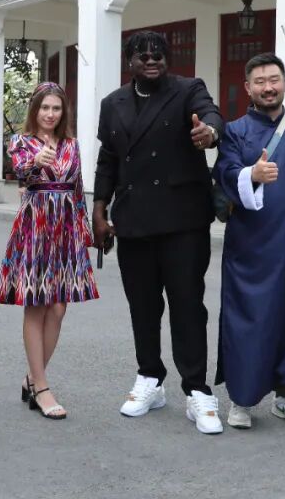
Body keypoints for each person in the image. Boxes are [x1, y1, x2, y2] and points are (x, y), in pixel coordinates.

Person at [92, 31, 226, 434]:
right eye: (143, 56)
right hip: (134, 221)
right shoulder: (112, 103)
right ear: (129, 62)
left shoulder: (188, 90)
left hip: (183, 220)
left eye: (158, 55)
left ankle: (197, 389)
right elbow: (108, 159)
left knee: (187, 306)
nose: (151, 61)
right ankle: (150, 378)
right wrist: (98, 210)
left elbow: (212, 116)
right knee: (143, 307)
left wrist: (209, 133)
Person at [212, 53, 285, 431]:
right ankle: (241, 399)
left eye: (274, 80)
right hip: (249, 247)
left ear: (284, 83)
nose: (268, 87)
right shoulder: (235, 131)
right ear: (248, 88)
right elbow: (225, 172)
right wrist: (252, 174)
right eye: (260, 81)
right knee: (246, 320)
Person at [0, 82, 99, 420]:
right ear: (35, 110)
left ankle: (31, 377)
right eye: (44, 108)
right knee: (36, 305)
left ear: (63, 111)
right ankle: (41, 387)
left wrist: (85, 229)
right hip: (36, 225)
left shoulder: (71, 144)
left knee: (59, 307)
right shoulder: (21, 142)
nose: (50, 114)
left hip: (66, 227)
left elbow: (78, 188)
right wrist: (36, 162)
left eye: (56, 108)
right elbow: (21, 173)